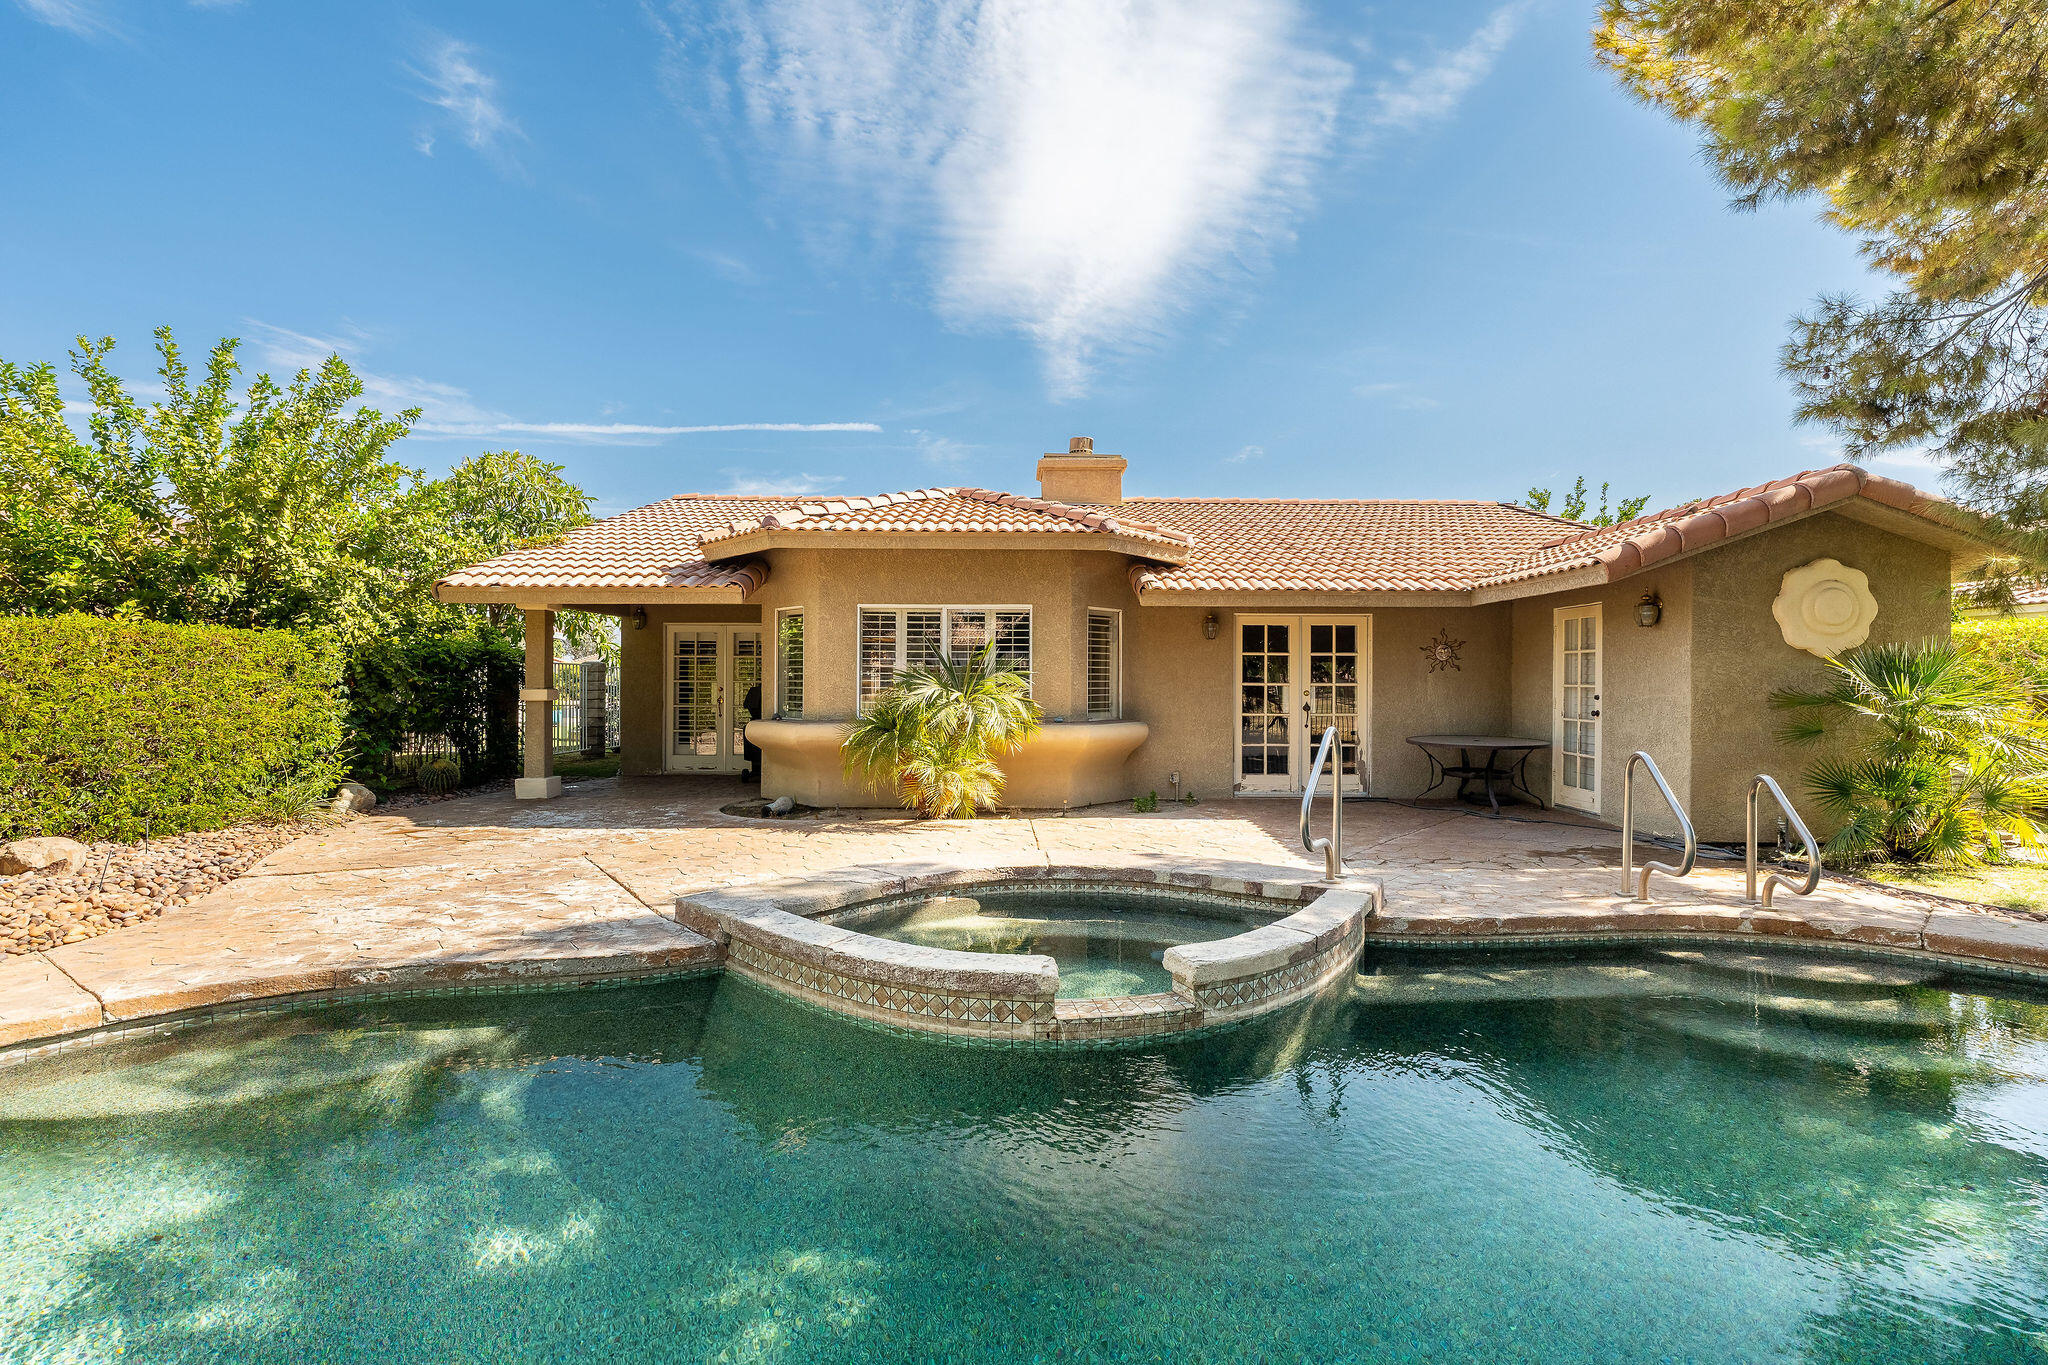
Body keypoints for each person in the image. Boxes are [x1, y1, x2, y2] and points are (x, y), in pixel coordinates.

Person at [742, 681, 763, 782]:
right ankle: (756, 767)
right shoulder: (755, 692)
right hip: (758, 722)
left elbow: (747, 705)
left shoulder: (753, 692)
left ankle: (756, 766)